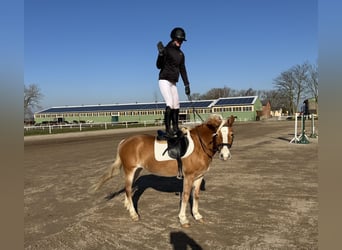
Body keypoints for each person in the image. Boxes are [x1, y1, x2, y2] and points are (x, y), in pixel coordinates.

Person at [156, 27, 191, 138]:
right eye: (178, 40)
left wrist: (187, 84)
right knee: (170, 103)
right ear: (173, 38)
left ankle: (175, 128)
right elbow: (158, 66)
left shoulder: (181, 54)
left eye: (181, 41)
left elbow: (182, 69)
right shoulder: (166, 50)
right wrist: (161, 55)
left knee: (176, 104)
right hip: (164, 80)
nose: (180, 42)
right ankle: (168, 129)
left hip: (173, 82)